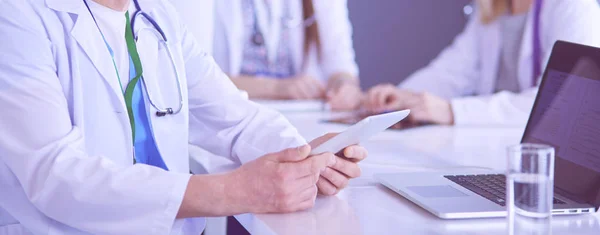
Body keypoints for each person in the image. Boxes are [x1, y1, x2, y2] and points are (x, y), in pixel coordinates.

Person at [0, 0, 368, 234]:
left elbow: (237, 118)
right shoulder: (17, 17)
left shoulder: (159, 16)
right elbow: (55, 176)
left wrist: (303, 157)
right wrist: (235, 191)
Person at [364, 0, 600, 126]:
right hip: (493, 148)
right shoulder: (492, 7)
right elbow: (452, 71)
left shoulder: (573, 7)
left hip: (541, 164)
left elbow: (557, 105)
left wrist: (452, 111)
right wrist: (401, 97)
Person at [207, 0, 362, 110]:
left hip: (301, 121)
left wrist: (345, 87)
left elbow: (340, 65)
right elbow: (196, 76)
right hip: (229, 119)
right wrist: (277, 88)